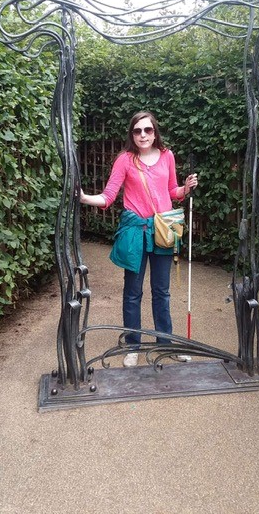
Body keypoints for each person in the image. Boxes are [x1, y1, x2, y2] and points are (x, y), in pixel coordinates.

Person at [80, 111, 198, 367]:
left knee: (161, 291)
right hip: (135, 232)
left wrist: (185, 189)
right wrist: (85, 198)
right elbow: (109, 195)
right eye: (137, 131)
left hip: (163, 230)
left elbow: (172, 191)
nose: (143, 135)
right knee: (132, 292)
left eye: (148, 130)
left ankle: (165, 344)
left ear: (155, 132)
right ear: (131, 134)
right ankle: (133, 345)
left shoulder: (167, 155)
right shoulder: (125, 160)